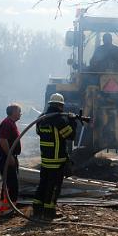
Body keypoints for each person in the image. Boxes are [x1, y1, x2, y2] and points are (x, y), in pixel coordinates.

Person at [34, 93, 77, 221]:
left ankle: (37, 210)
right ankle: (49, 213)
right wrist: (72, 121)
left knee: (43, 184)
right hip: (57, 160)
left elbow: (38, 132)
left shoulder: (41, 118)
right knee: (53, 188)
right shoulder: (59, 120)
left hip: (45, 159)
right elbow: (70, 136)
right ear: (59, 105)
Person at [0, 103, 22, 217]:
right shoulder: (7, 124)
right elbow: (3, 140)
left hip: (9, 158)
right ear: (13, 112)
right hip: (6, 158)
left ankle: (6, 208)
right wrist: (10, 156)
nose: (20, 113)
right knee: (11, 184)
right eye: (19, 111)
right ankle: (7, 210)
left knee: (9, 183)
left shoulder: (11, 123)